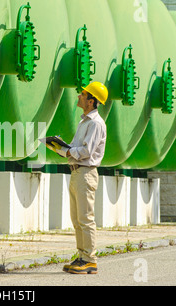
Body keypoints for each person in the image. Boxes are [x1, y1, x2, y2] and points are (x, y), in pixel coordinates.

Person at [46, 81, 108, 274]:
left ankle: (90, 259)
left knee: (86, 218)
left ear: (91, 101)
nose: (79, 96)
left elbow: (87, 151)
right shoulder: (84, 122)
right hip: (76, 172)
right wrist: (61, 148)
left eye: (83, 94)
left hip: (86, 172)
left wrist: (67, 151)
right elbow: (75, 149)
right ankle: (82, 256)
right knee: (77, 219)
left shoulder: (96, 124)